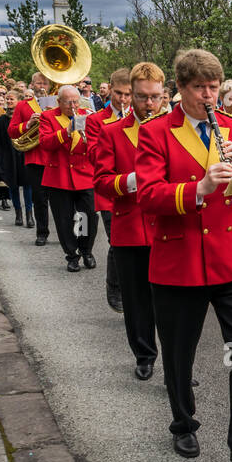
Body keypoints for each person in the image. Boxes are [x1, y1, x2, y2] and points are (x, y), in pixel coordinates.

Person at [135, 48, 232, 462]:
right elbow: (147, 196)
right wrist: (198, 188)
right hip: (178, 259)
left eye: (215, 87)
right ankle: (183, 423)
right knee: (179, 351)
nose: (210, 96)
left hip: (230, 257)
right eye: (200, 88)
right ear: (181, 88)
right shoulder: (157, 131)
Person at [92, 62, 166, 380]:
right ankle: (144, 354)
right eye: (141, 97)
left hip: (167, 228)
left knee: (172, 303)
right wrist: (135, 180)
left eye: (154, 97)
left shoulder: (176, 132)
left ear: (164, 96)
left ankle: (178, 361)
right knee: (136, 300)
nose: (148, 104)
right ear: (130, 97)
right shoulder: (112, 133)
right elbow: (102, 181)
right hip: (131, 226)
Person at [86, 67, 133, 312]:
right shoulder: (96, 121)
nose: (123, 99)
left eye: (127, 94)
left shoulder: (142, 118)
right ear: (110, 90)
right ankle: (114, 287)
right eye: (118, 93)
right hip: (110, 193)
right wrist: (116, 130)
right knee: (117, 242)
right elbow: (95, 156)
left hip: (137, 190)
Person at [39, 85, 99, 273]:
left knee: (87, 216)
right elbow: (45, 143)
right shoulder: (48, 117)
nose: (73, 106)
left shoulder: (88, 115)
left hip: (84, 174)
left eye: (76, 101)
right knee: (64, 219)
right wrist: (67, 132)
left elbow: (97, 143)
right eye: (68, 102)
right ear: (59, 102)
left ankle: (86, 249)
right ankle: (72, 255)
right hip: (60, 176)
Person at [8, 72, 55, 244]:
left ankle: (67, 233)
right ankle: (42, 233)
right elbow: (12, 131)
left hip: (56, 157)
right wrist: (28, 124)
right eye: (38, 83)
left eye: (45, 83)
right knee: (39, 199)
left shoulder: (57, 103)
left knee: (60, 201)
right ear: (32, 85)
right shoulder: (23, 105)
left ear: (50, 86)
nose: (42, 86)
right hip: (35, 158)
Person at [0, 88, 33, 227]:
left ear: (19, 101)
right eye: (7, 99)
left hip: (24, 155)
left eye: (11, 99)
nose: (8, 101)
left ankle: (29, 214)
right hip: (9, 157)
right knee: (13, 186)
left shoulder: (27, 118)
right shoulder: (1, 120)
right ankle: (18, 214)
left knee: (27, 185)